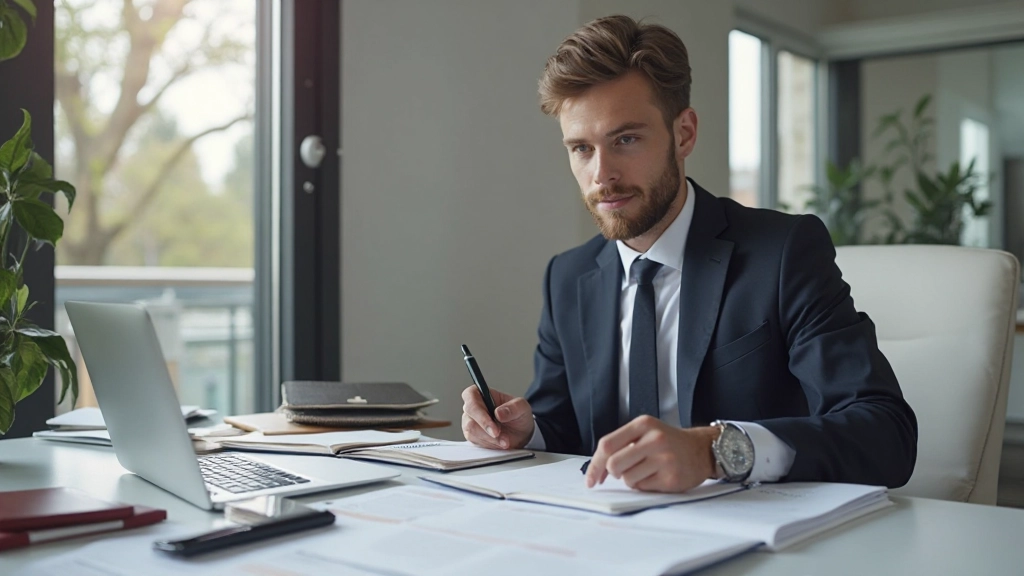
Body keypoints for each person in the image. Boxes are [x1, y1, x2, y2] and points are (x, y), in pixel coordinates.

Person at [461, 15, 917, 493]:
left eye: (626, 140)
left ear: (684, 134)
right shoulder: (568, 277)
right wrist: (524, 430)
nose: (602, 174)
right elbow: (569, 429)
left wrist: (713, 451)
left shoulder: (783, 254)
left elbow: (886, 435)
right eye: (581, 148)